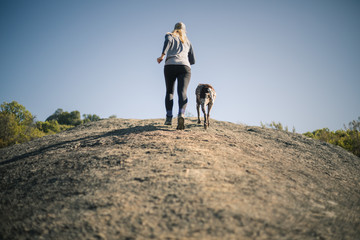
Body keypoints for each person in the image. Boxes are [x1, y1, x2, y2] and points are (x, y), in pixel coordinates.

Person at [157, 22, 195, 130]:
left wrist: (162, 56)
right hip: (184, 67)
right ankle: (181, 114)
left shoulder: (170, 35)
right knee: (182, 92)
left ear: (175, 29)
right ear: (184, 30)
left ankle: (169, 118)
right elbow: (193, 60)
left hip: (170, 65)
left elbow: (168, 41)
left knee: (170, 91)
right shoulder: (188, 41)